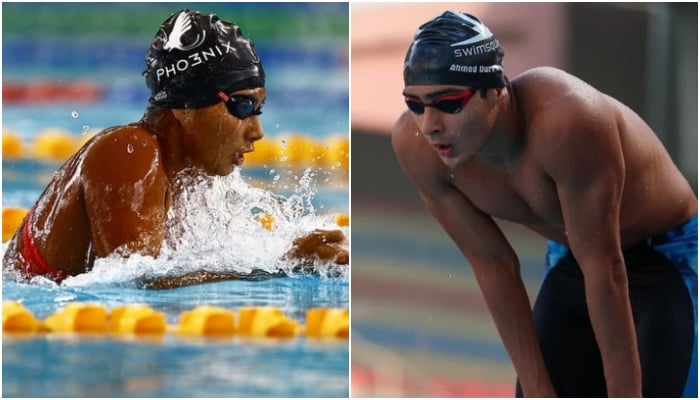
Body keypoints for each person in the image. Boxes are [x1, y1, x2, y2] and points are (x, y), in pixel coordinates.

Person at [392, 10, 697, 398]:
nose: (429, 124)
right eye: (415, 105)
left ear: (495, 90)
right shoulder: (417, 149)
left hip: (668, 258)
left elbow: (607, 269)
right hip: (575, 257)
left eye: (449, 103)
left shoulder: (566, 121)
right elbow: (493, 264)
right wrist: (537, 389)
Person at [2, 9, 348, 288]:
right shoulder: (130, 151)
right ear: (186, 105)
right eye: (242, 107)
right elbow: (134, 281)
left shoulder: (187, 178)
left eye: (258, 110)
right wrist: (279, 267)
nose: (257, 131)